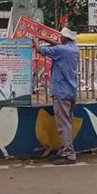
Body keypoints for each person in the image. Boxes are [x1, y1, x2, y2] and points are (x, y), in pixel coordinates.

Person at [34, 27, 79, 165]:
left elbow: (39, 49)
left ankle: (69, 154)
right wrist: (47, 39)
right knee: (68, 123)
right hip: (71, 91)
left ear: (64, 38)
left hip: (61, 91)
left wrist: (36, 40)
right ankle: (63, 150)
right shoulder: (73, 49)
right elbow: (59, 46)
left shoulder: (61, 50)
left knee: (63, 124)